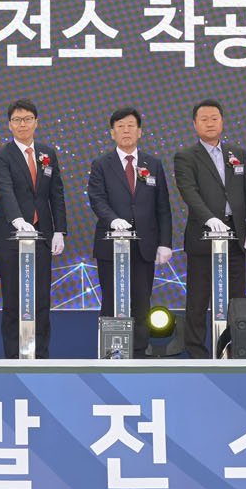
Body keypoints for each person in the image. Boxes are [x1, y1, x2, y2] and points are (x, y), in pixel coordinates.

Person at [173, 100, 246, 358]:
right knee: (198, 300)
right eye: (204, 119)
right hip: (203, 238)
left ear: (222, 122)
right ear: (194, 124)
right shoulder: (185, 156)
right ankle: (197, 354)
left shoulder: (237, 154)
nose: (210, 123)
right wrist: (210, 218)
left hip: (235, 238)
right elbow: (189, 193)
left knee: (236, 301)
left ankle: (235, 351)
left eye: (214, 118)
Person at [0, 99, 68, 360]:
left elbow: (56, 193)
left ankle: (40, 357)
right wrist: (17, 220)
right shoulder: (2, 155)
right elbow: (5, 189)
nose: (22, 124)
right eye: (17, 120)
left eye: (27, 119)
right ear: (9, 125)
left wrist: (59, 230)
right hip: (11, 237)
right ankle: (14, 358)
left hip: (42, 235)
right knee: (14, 300)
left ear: (36, 122)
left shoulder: (47, 153)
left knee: (41, 300)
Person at [87, 107, 174, 343]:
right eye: (120, 126)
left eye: (130, 126)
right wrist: (113, 219)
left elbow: (162, 206)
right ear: (112, 133)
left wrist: (165, 243)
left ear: (139, 131)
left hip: (144, 247)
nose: (126, 130)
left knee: (141, 303)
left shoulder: (153, 164)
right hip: (111, 246)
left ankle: (138, 353)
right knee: (111, 301)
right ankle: (112, 354)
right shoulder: (101, 164)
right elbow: (97, 198)